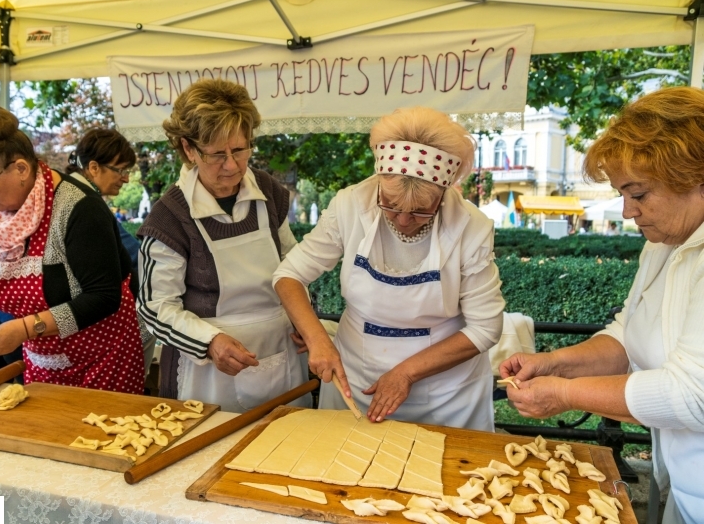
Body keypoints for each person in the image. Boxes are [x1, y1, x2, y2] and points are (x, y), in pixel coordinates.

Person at [499, 86, 704, 523]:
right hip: (685, 481)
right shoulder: (665, 243)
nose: (628, 212)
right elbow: (626, 334)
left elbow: (692, 396)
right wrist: (554, 363)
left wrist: (564, 394)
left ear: (695, 175)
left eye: (640, 193)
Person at [273, 106, 505, 429]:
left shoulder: (471, 228)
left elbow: (486, 328)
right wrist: (317, 338)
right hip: (356, 381)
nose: (405, 220)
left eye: (421, 211)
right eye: (392, 206)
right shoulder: (350, 205)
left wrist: (406, 372)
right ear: (380, 182)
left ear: (443, 193)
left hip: (446, 397)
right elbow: (289, 275)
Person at [0, 104, 145, 394]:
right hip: (42, 359)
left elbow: (103, 297)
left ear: (21, 168)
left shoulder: (78, 207)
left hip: (102, 360)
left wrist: (23, 329)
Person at [137, 78, 310, 413]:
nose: (231, 165)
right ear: (188, 149)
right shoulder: (169, 217)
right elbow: (155, 308)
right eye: (217, 154)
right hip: (207, 371)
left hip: (281, 352)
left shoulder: (269, 193)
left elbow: (294, 264)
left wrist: (306, 321)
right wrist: (210, 342)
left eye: (240, 150)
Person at [65, 128, 156, 380]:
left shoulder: (78, 196)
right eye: (121, 170)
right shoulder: (85, 202)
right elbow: (105, 288)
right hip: (95, 326)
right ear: (94, 168)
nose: (125, 179)